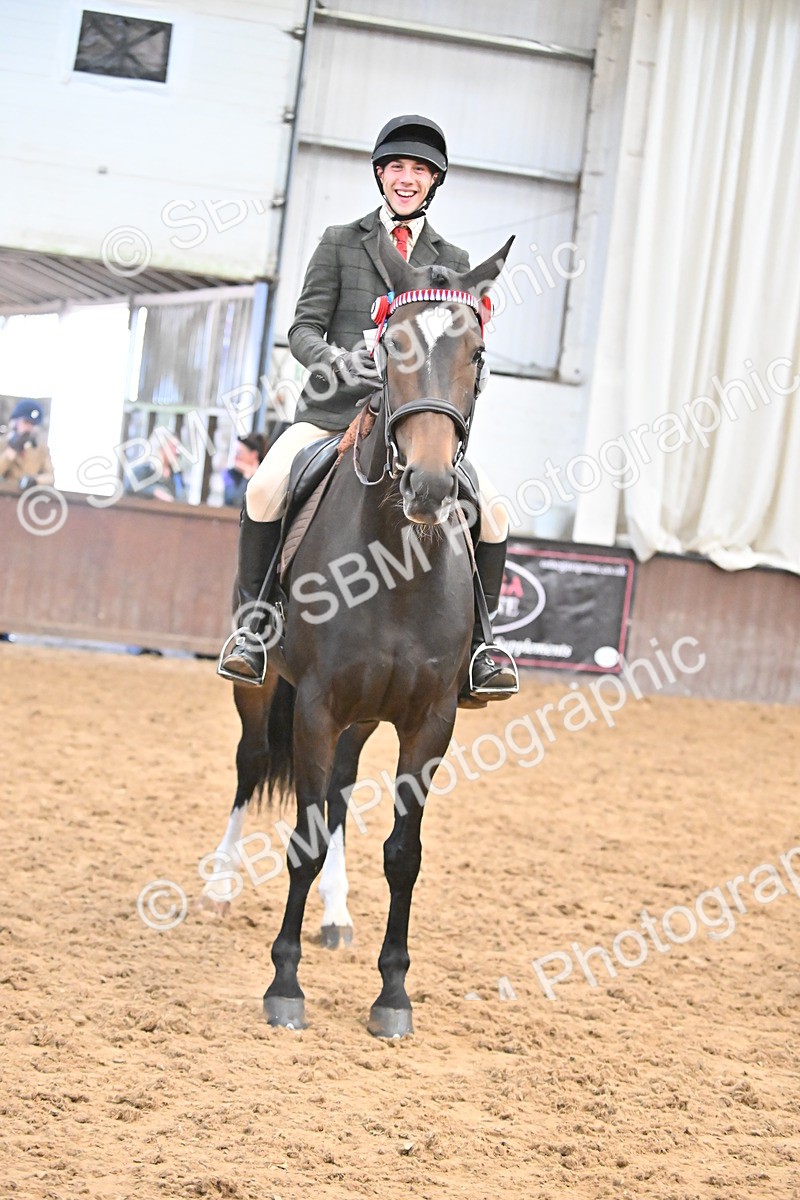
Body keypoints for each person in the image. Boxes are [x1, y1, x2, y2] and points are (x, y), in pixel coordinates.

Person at [219, 114, 517, 702]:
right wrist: (338, 363)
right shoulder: (339, 241)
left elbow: (457, 343)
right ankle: (254, 630)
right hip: (330, 415)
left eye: (420, 171)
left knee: (497, 514)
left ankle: (483, 646)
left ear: (434, 181)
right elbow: (303, 328)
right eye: (397, 168)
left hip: (413, 424)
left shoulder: (451, 256)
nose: (407, 179)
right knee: (263, 490)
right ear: (381, 175)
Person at [0, 399, 55, 489]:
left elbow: (50, 477)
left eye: (33, 424)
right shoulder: (3, 444)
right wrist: (12, 450)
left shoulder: (41, 449)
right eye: (26, 422)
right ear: (15, 422)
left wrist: (35, 480)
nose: (29, 428)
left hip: (29, 498)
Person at [223, 432, 268, 508]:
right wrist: (247, 477)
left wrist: (254, 477)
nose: (235, 457)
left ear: (253, 455)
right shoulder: (230, 474)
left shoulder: (265, 476)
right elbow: (234, 504)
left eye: (239, 453)